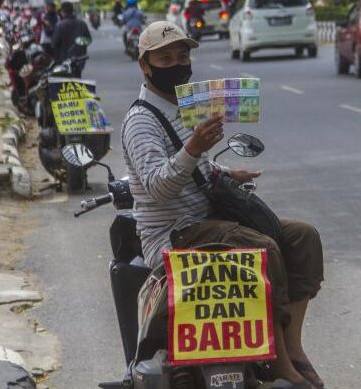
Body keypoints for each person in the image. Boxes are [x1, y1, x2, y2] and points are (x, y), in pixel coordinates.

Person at [121, 21, 325, 389]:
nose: (177, 64)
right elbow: (157, 187)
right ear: (145, 66)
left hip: (208, 220)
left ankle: (293, 348)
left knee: (302, 237)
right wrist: (193, 148)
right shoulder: (140, 121)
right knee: (263, 248)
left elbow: (196, 168)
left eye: (182, 56)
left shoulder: (185, 107)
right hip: (174, 233)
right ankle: (277, 360)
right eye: (165, 58)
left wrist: (227, 171)